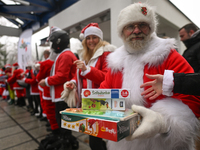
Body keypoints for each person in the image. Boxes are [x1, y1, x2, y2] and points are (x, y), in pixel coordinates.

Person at [97, 2, 200, 150]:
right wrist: (83, 99)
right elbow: (105, 92)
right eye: (130, 26)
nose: (137, 30)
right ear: (122, 32)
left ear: (150, 28)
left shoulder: (167, 55)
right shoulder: (115, 62)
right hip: (124, 142)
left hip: (162, 144)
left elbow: (194, 97)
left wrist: (163, 123)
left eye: (142, 25)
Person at [61, 23, 116, 150]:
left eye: (94, 37)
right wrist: (73, 83)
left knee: (95, 139)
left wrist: (87, 70)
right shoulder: (85, 55)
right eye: (88, 38)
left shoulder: (106, 53)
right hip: (88, 101)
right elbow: (79, 76)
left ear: (100, 38)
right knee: (94, 135)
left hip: (101, 100)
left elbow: (107, 78)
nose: (91, 41)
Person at [39, 28, 79, 150]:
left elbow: (62, 76)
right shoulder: (65, 54)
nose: (51, 46)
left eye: (52, 42)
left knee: (63, 125)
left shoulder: (65, 55)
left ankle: (66, 145)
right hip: (61, 96)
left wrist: (45, 81)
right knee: (64, 125)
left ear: (58, 42)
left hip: (62, 97)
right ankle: (66, 143)